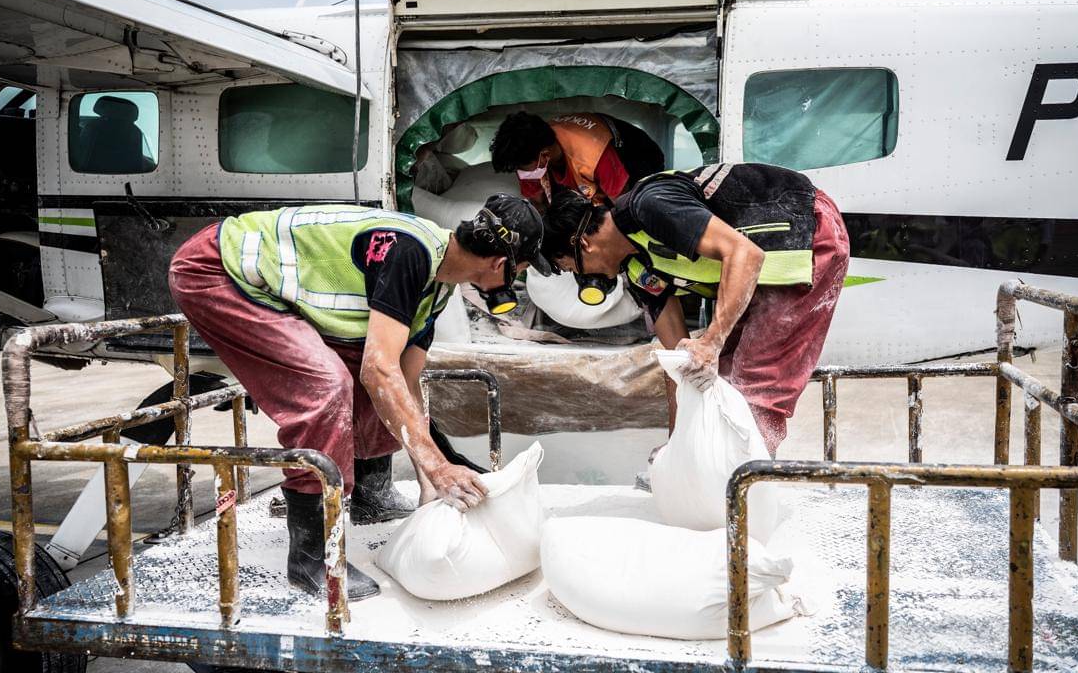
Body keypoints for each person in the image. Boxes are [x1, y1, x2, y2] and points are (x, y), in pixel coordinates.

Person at [168, 195, 552, 600]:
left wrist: (428, 484)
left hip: (254, 279)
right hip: (214, 268)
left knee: (380, 387)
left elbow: (403, 382)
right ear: (500, 265)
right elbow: (378, 369)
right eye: (522, 269)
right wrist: (439, 467)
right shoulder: (411, 254)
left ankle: (370, 493)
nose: (516, 280)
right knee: (327, 385)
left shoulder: (438, 287)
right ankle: (312, 556)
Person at [538, 163, 850, 455]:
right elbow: (680, 364)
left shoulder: (650, 205)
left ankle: (745, 487)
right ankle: (723, 478)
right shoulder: (637, 268)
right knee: (719, 381)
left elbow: (745, 254)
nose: (585, 277)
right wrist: (676, 447)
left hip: (807, 231)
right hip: (762, 276)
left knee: (754, 381)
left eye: (574, 268)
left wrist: (712, 341)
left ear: (583, 244)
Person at [490, 111, 665, 208]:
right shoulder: (529, 152)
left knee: (640, 208)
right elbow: (538, 205)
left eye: (523, 168)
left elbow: (624, 208)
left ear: (544, 156)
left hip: (637, 156)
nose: (522, 174)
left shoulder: (594, 155)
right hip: (580, 167)